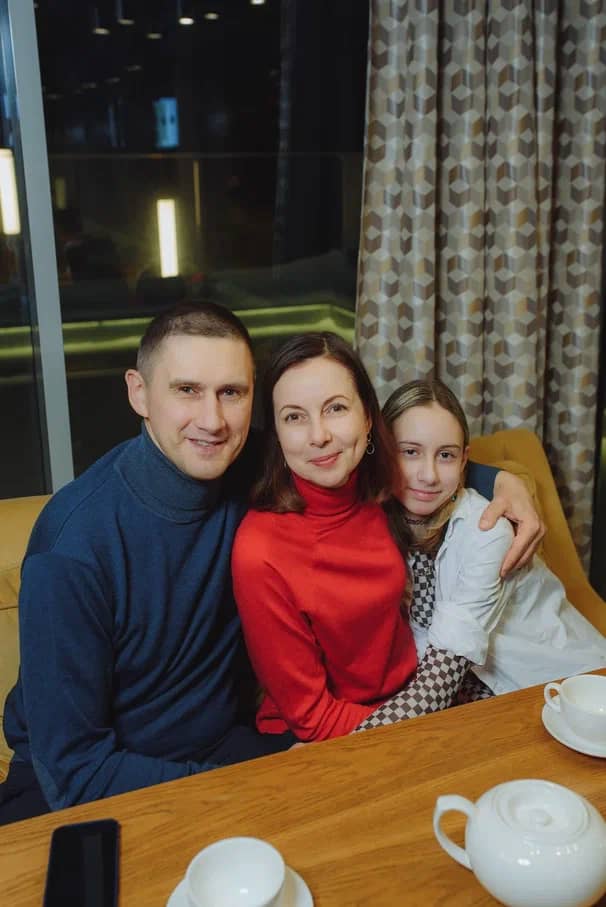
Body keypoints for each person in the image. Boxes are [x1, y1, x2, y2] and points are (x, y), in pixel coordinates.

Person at [0, 312, 540, 825]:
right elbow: (74, 772)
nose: (212, 420)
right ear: (139, 392)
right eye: (186, 390)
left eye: (231, 393)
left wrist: (501, 481)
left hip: (225, 743)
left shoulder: (249, 459)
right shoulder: (73, 545)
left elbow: (393, 462)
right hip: (95, 782)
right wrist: (251, 786)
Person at [231, 332, 545, 743]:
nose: (318, 435)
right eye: (294, 417)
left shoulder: (380, 488)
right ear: (275, 433)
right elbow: (313, 718)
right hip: (336, 734)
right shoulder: (260, 552)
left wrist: (507, 480)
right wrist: (423, 732)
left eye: (336, 408)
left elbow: (439, 468)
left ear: (368, 417)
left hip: (413, 700)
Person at [355, 378, 606, 732]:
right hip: (473, 690)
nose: (428, 475)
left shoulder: (487, 533)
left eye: (445, 455)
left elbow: (437, 682)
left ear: (464, 460)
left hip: (561, 689)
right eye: (410, 452)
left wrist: (344, 749)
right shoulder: (381, 517)